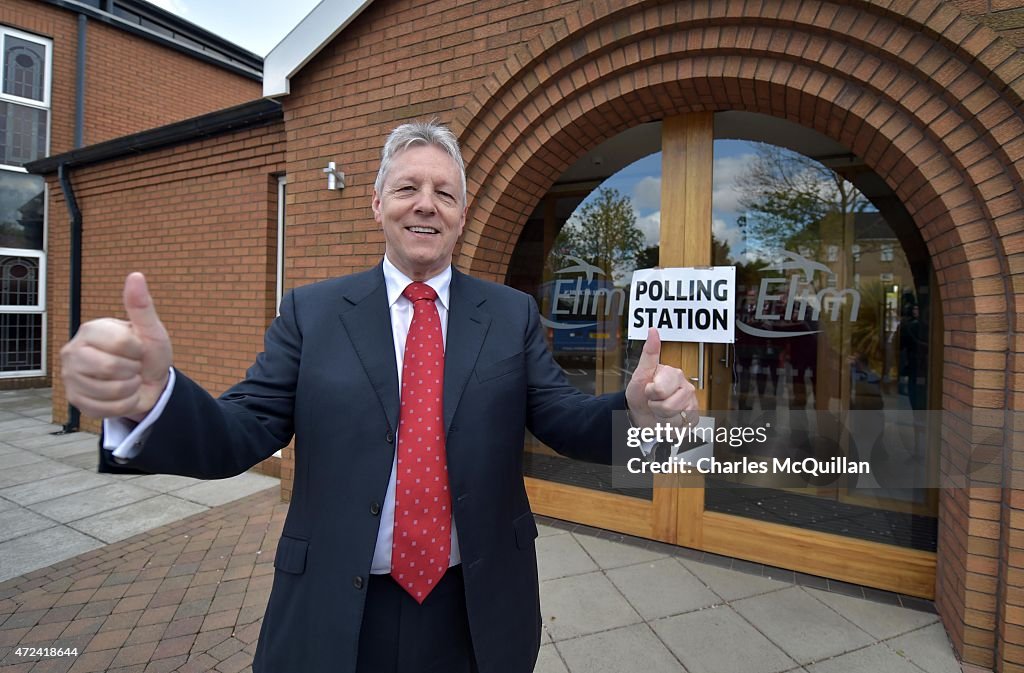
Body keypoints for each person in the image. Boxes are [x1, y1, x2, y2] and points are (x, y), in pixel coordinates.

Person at [60, 121, 697, 673]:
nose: (426, 205)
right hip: (338, 605)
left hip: (474, 605)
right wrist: (156, 401)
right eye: (407, 189)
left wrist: (635, 414)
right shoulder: (311, 313)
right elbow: (244, 430)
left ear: (463, 216)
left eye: (444, 193)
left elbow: (563, 418)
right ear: (377, 205)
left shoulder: (511, 314)